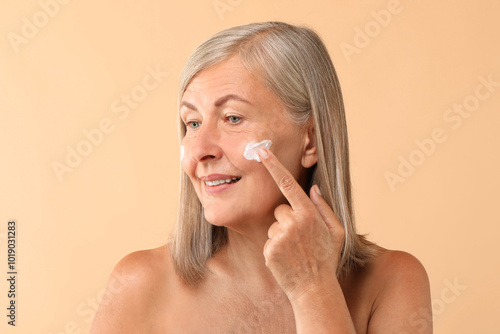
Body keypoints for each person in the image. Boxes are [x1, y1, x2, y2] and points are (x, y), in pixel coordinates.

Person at [90, 21, 432, 333]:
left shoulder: (393, 280)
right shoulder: (139, 284)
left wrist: (312, 288)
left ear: (310, 140)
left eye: (233, 118)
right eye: (192, 123)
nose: (199, 150)